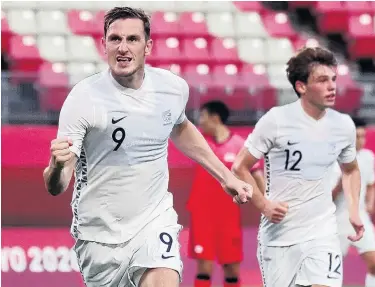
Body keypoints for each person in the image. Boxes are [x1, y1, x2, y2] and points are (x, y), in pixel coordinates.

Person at [42, 7, 252, 287]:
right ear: (104, 45)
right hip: (99, 235)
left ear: (148, 46)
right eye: (115, 39)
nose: (123, 48)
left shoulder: (172, 89)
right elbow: (57, 185)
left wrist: (227, 177)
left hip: (154, 221)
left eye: (132, 39)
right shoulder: (84, 98)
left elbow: (180, 126)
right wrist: (56, 167)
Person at [231, 46, 365, 287]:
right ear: (301, 86)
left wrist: (354, 210)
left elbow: (351, 169)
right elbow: (240, 166)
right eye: (322, 80)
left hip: (322, 233)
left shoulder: (344, 125)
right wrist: (263, 205)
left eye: (333, 79)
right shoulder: (276, 120)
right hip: (280, 236)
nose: (332, 86)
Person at [187, 101, 265, 287]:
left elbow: (257, 176)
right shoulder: (200, 142)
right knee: (204, 268)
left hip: (229, 217)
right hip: (202, 215)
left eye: (203, 116)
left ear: (215, 118)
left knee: (232, 270)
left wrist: (266, 203)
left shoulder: (239, 145)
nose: (200, 121)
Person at [331, 117, 375, 287]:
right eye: (357, 136)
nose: (361, 140)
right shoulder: (333, 161)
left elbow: (371, 185)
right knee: (331, 271)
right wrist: (341, 183)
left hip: (361, 218)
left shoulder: (368, 157)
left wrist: (370, 203)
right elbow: (326, 198)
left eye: (363, 136)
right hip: (338, 220)